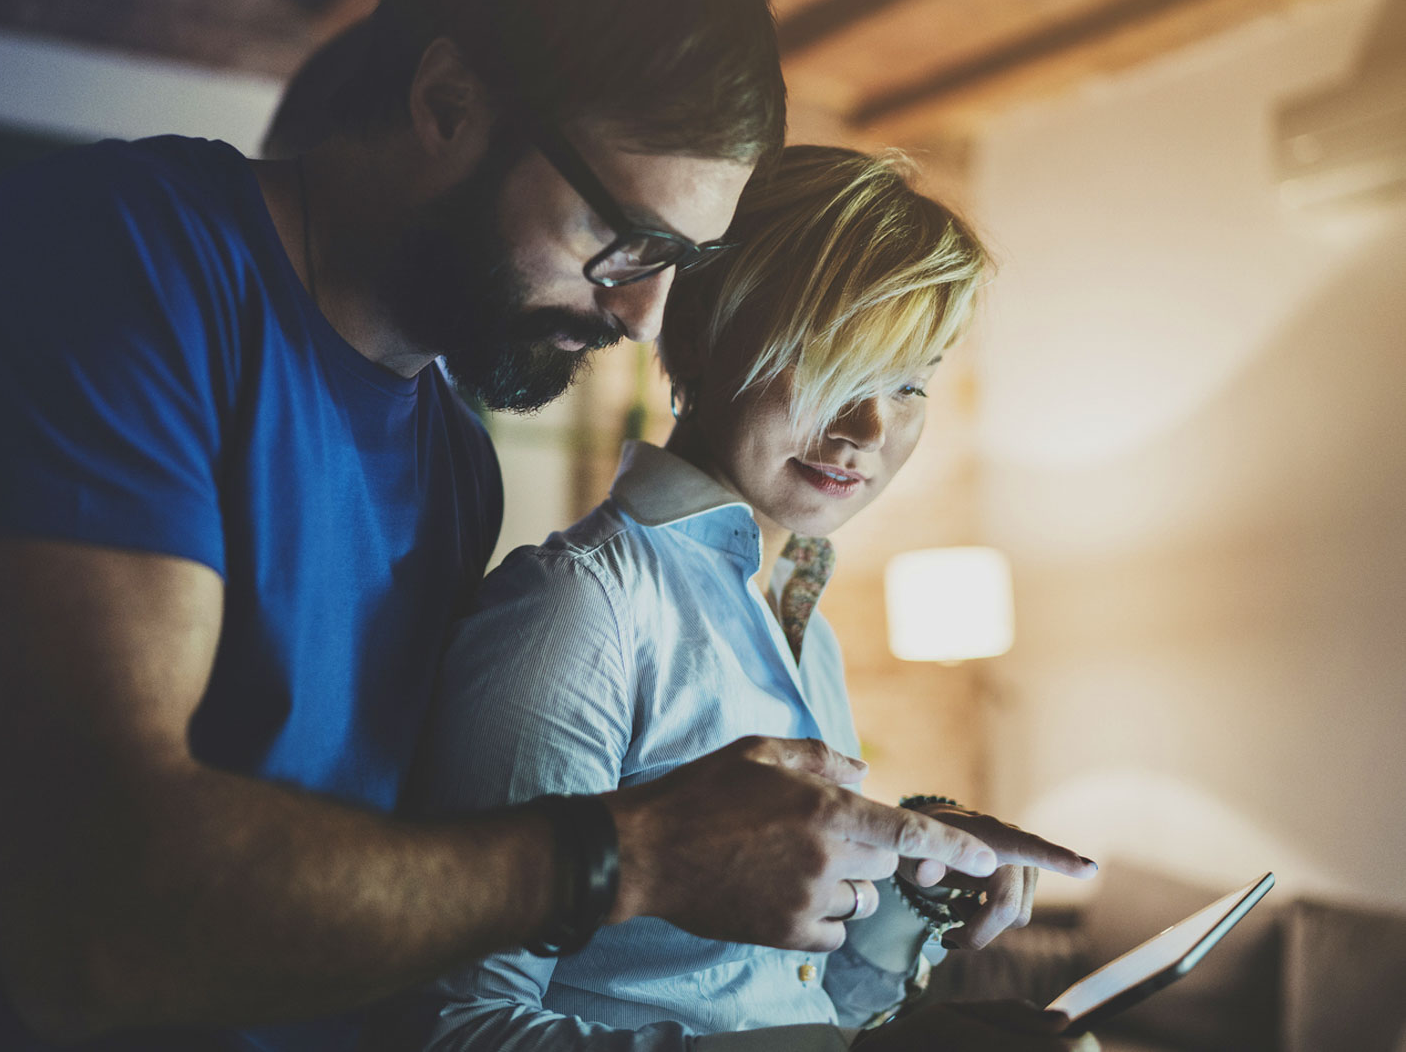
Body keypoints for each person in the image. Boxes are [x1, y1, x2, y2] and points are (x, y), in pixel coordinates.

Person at [0, 0, 1038, 1049]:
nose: (649, 319)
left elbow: (401, 892)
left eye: (682, 260)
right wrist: (636, 853)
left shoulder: (453, 452)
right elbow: (97, 926)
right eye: (625, 240)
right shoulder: (114, 270)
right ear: (448, 102)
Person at [411, 146, 1100, 1051]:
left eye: (908, 383)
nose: (868, 432)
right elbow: (450, 1029)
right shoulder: (583, 610)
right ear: (693, 334)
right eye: (835, 362)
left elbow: (809, 1012)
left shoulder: (802, 621)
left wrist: (914, 884)